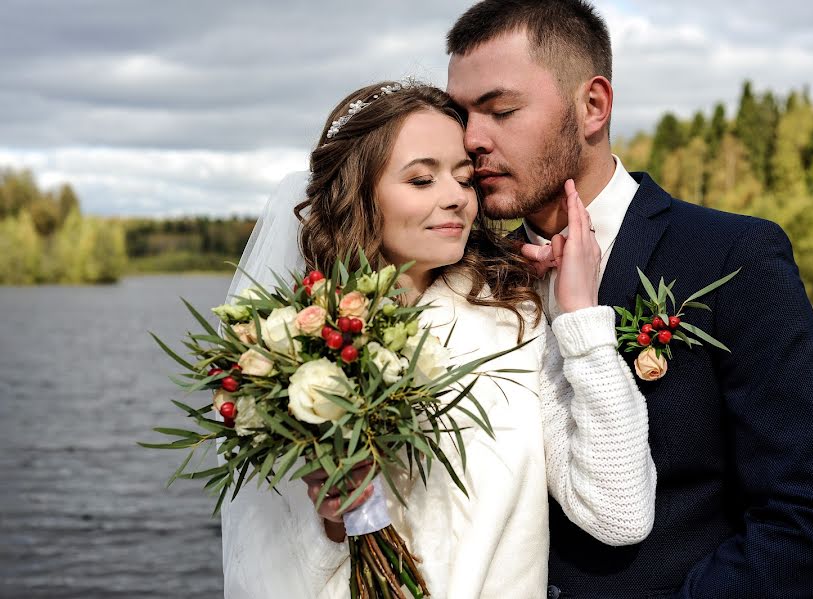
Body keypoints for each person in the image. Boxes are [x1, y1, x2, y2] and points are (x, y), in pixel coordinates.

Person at [444, 1, 813, 598]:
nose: (472, 140)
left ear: (593, 106)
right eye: (460, 116)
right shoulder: (467, 277)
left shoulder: (733, 256)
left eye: (501, 110)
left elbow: (808, 521)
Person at [219, 81, 656, 598]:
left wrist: (582, 317)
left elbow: (619, 513)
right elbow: (284, 559)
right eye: (422, 179)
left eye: (464, 178)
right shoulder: (301, 350)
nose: (455, 197)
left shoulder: (515, 319)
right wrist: (340, 518)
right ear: (358, 193)